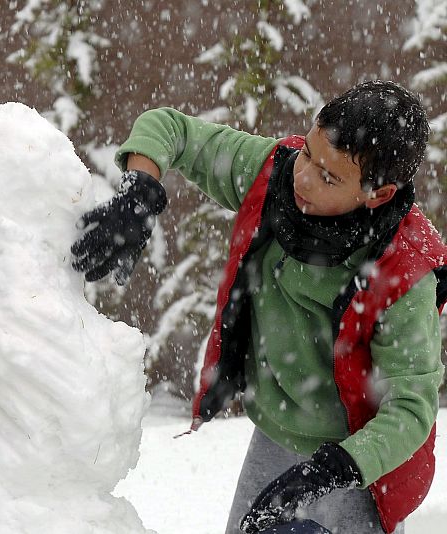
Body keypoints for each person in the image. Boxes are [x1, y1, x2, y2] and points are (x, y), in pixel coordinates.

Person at [71, 80, 447, 534]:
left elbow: (410, 410)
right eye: (308, 152)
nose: (303, 177)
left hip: (354, 466)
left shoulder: (404, 272)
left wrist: (329, 471)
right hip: (277, 435)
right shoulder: (274, 174)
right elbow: (170, 128)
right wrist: (140, 191)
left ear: (379, 193)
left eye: (329, 177)